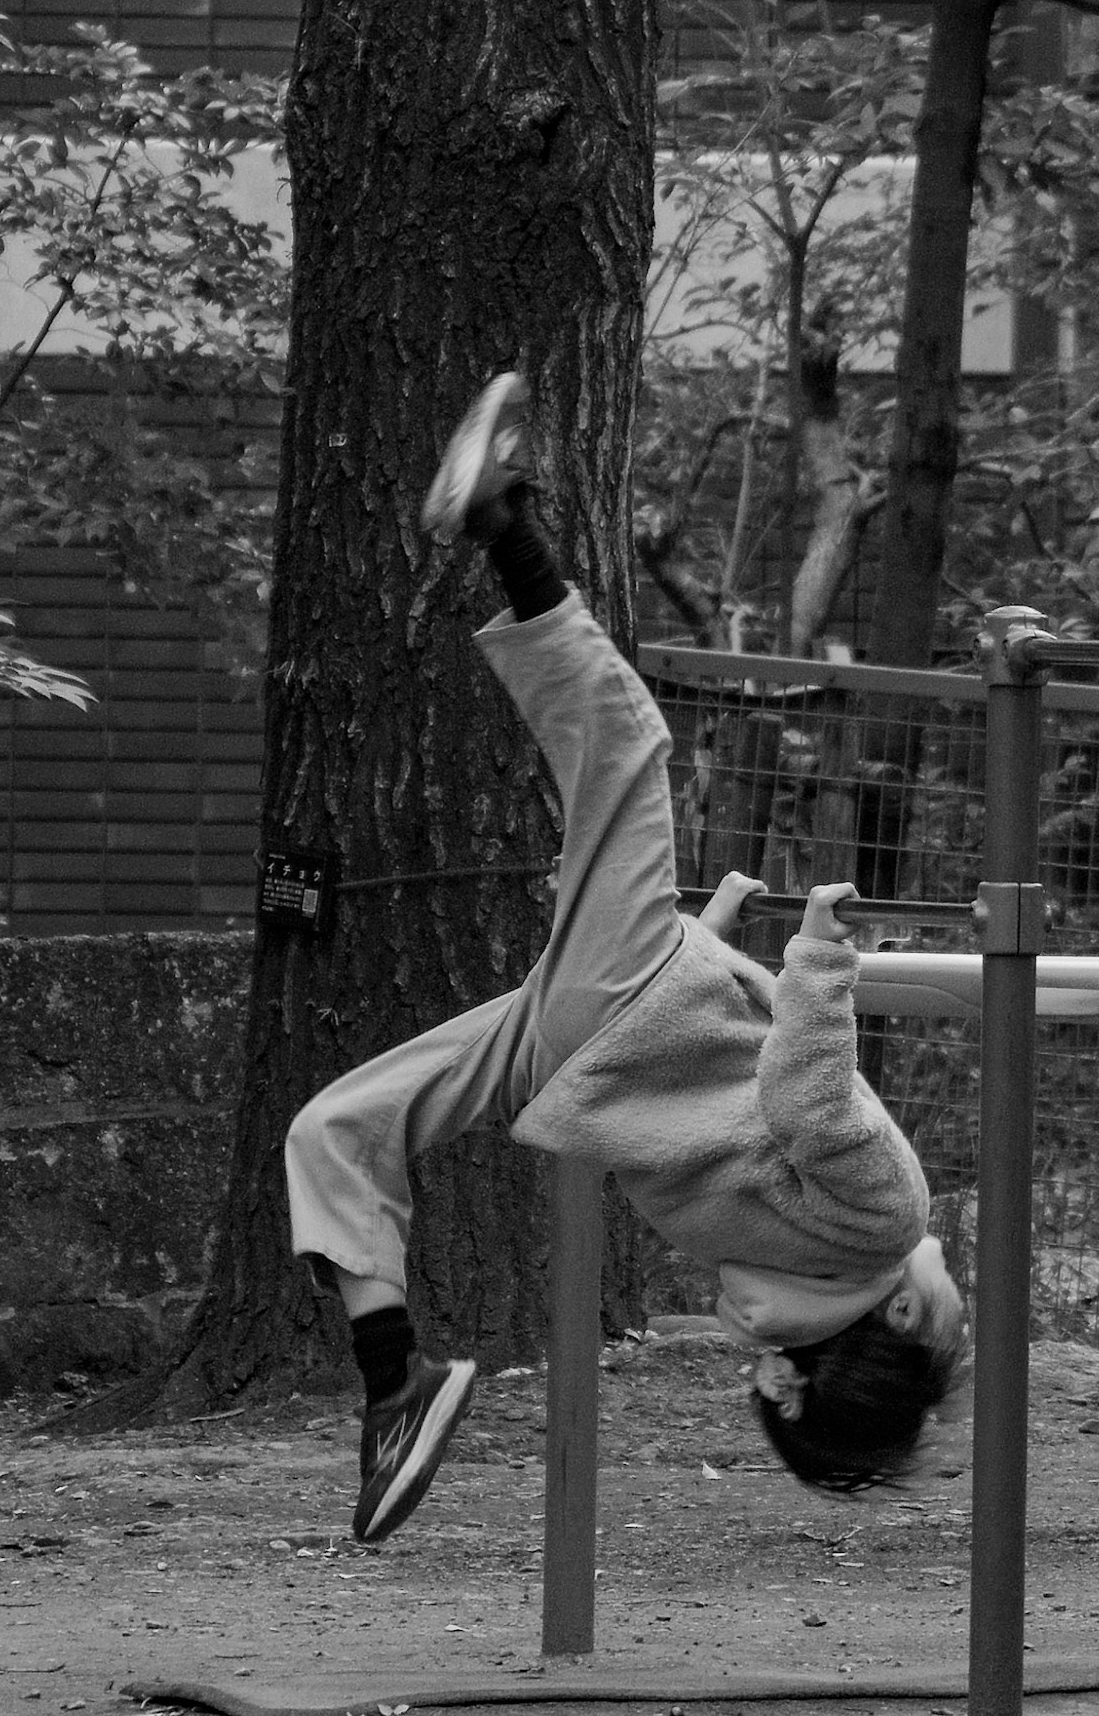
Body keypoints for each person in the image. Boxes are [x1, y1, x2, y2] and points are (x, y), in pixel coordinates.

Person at [286, 372, 966, 1544]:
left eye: (954, 1315)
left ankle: (501, 523)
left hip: (626, 1002)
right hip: (582, 1063)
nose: (963, 1287)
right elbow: (712, 1120)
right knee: (337, 1126)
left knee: (623, 746)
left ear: (903, 1309)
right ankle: (392, 1380)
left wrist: (818, 960)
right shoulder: (761, 1287)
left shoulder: (884, 1221)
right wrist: (722, 950)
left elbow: (805, 1105)